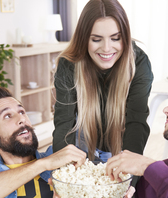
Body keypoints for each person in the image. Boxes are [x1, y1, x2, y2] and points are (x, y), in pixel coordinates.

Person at [52, 0, 153, 163]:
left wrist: (128, 179)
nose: (106, 48)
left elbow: (136, 124)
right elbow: (64, 124)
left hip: (122, 150)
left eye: (115, 38)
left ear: (125, 36)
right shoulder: (69, 64)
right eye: (96, 39)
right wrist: (63, 173)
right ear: (84, 39)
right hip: (81, 147)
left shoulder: (139, 64)